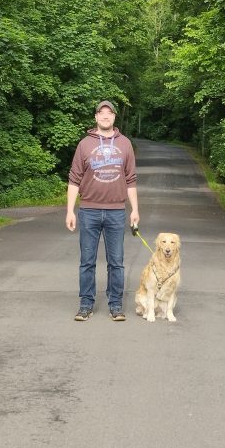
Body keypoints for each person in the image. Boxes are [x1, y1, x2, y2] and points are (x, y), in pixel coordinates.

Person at [66, 100, 139, 321]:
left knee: (116, 262)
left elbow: (131, 179)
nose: (105, 116)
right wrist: (70, 211)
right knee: (87, 261)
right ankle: (85, 304)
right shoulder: (84, 145)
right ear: (96, 117)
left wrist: (135, 209)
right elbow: (74, 179)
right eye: (101, 113)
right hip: (88, 210)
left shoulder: (125, 144)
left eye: (109, 113)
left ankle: (115, 305)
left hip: (116, 212)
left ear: (114, 117)